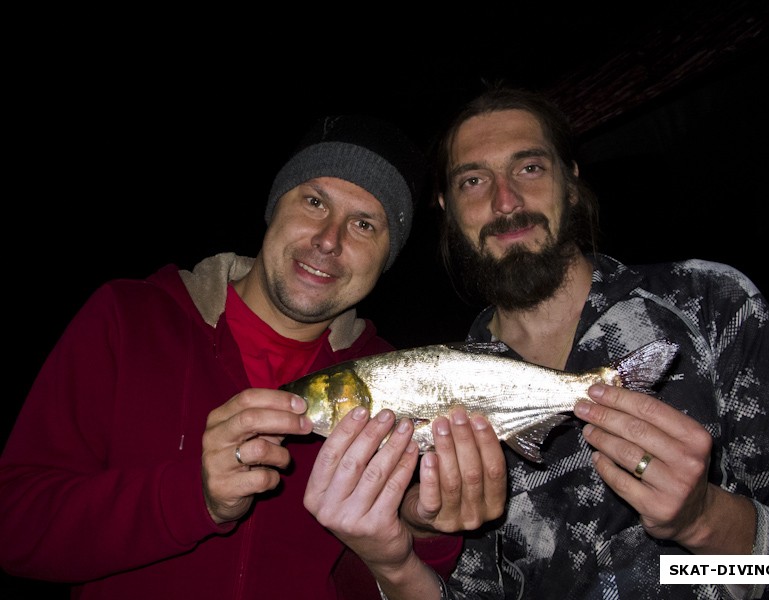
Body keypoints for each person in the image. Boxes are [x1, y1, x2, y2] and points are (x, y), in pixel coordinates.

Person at [303, 86, 769, 599]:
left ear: (571, 180)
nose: (505, 200)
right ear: (448, 210)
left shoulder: (711, 303)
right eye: (474, 180)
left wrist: (703, 522)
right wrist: (396, 564)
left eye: (530, 168)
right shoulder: (434, 400)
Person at [0, 114, 507, 599]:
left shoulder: (398, 379)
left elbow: (369, 577)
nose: (328, 240)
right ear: (274, 208)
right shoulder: (129, 317)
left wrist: (422, 531)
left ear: (386, 259)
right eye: (314, 201)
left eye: (364, 225)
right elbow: (16, 529)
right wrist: (191, 496)